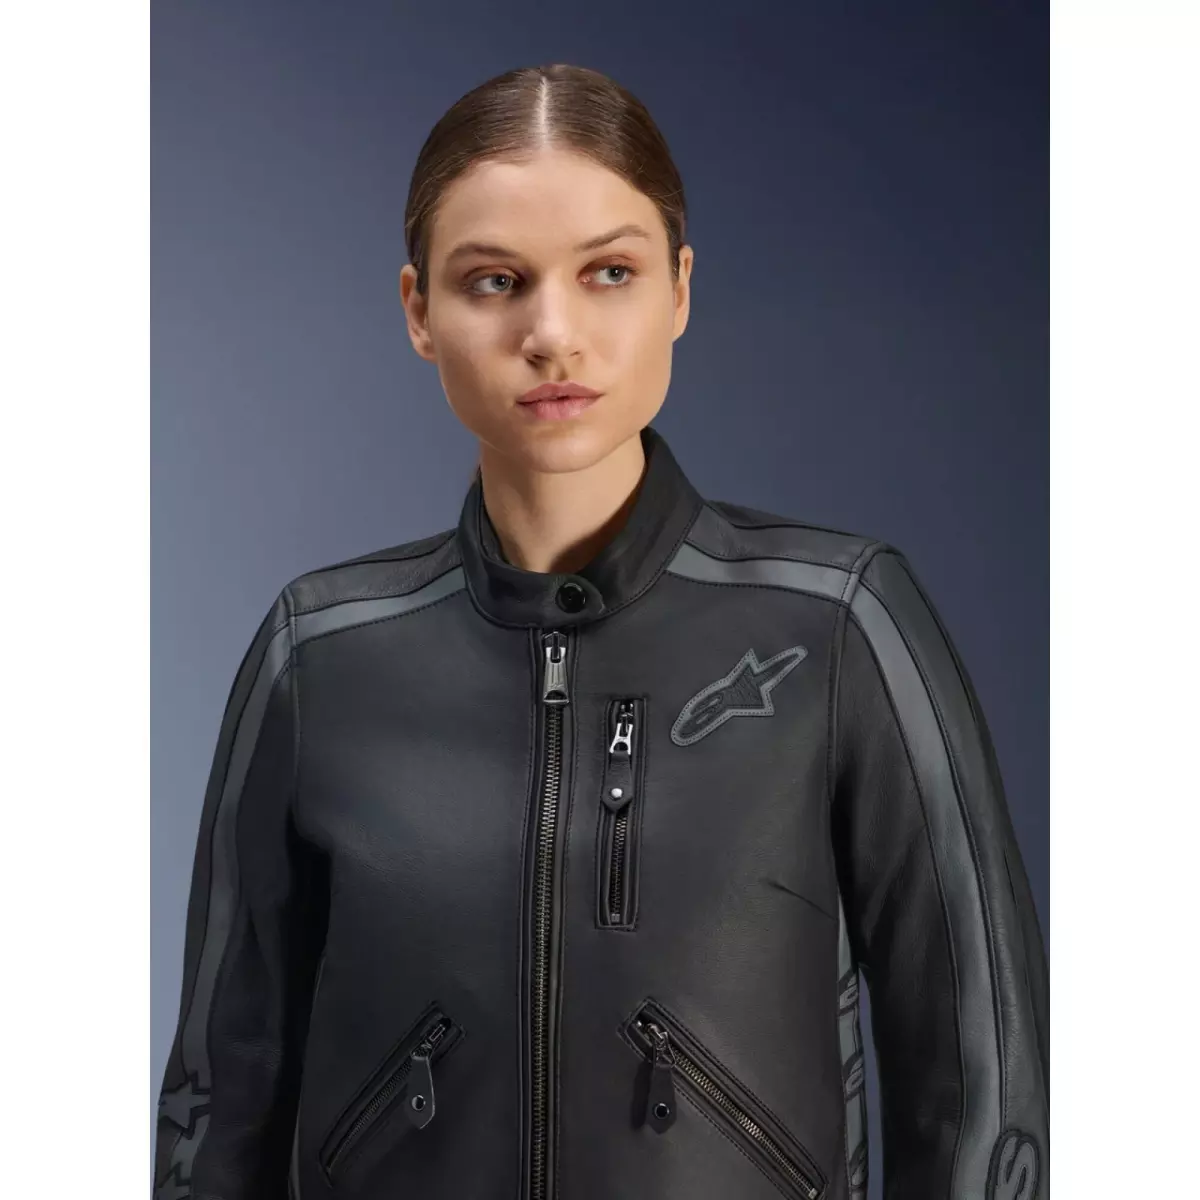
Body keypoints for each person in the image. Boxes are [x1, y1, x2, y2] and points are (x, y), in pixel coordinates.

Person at [154, 63, 1048, 1200]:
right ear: (419, 311)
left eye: (609, 272)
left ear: (679, 290)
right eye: (495, 281)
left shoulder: (839, 624)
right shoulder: (320, 654)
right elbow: (218, 1107)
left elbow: (981, 1084)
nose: (552, 333)